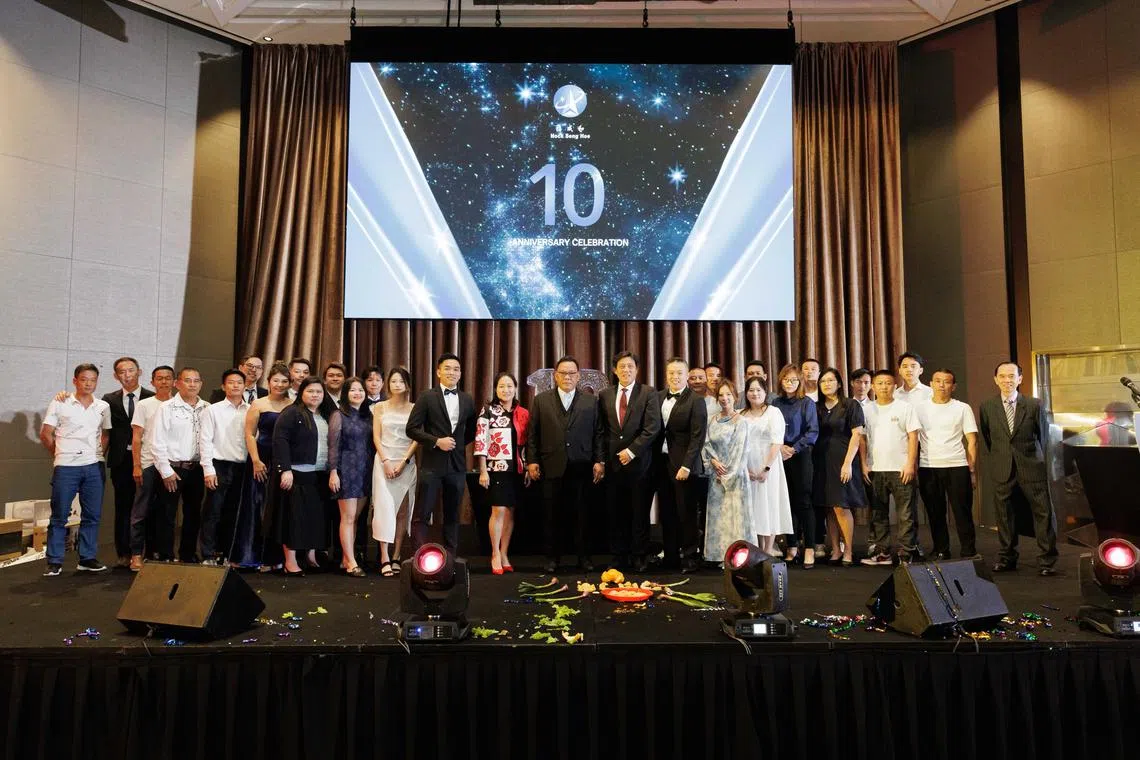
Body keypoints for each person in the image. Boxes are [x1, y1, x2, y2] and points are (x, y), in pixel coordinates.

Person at [978, 361, 1058, 576]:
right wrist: (997, 461)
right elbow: (987, 439)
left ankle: (1047, 561)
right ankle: (1007, 557)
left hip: (1032, 466)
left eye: (1012, 376)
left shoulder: (1034, 405)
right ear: (995, 380)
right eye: (1002, 376)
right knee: (1004, 515)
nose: (1007, 380)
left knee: (1043, 513)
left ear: (1020, 379)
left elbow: (1044, 437)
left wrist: (1044, 465)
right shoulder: (987, 407)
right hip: (1002, 468)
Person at [526, 356, 603, 573]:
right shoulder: (541, 400)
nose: (567, 377)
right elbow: (533, 434)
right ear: (555, 376)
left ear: (578, 377)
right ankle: (552, 559)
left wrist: (599, 460)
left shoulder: (591, 401)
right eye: (563, 373)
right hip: (551, 464)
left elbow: (598, 433)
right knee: (551, 515)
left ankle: (584, 558)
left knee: (582, 515)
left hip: (582, 465)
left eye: (572, 373)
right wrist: (532, 460)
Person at [39, 363, 112, 576]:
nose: (88, 383)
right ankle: (54, 561)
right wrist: (59, 454)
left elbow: (106, 434)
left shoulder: (102, 406)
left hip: (93, 466)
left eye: (92, 380)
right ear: (75, 381)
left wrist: (98, 454)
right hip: (66, 467)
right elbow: (46, 433)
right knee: (59, 515)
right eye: (84, 379)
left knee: (92, 515)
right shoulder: (60, 401)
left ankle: (87, 558)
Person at [597, 350, 661, 571]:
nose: (626, 370)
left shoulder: (648, 393)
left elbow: (652, 427)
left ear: (637, 369)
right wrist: (602, 459)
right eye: (622, 366)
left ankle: (639, 556)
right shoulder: (605, 395)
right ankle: (618, 557)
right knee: (616, 514)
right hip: (613, 465)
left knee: (639, 513)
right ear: (614, 371)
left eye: (630, 366)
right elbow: (601, 430)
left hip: (640, 464)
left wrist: (632, 451)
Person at [406, 353, 476, 555]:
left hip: (457, 465)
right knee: (423, 513)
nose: (452, 372)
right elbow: (411, 429)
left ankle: (450, 558)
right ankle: (418, 557)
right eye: (447, 368)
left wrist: (457, 445)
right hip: (431, 464)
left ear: (460, 373)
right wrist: (437, 442)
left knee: (453, 514)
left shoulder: (467, 399)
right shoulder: (427, 397)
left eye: (456, 369)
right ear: (438, 372)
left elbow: (471, 431)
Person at [272, 376, 337, 575]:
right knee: (293, 520)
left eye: (319, 391)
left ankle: (310, 556)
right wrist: (285, 469)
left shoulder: (326, 414)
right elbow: (280, 440)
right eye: (310, 391)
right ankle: (290, 561)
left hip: (319, 474)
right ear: (301, 393)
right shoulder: (291, 412)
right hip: (296, 474)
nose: (315, 395)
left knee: (315, 519)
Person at [914, 368, 979, 560]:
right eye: (937, 381)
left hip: (957, 465)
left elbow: (972, 441)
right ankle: (941, 549)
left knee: (962, 511)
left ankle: (968, 550)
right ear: (931, 384)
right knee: (935, 512)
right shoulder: (919, 408)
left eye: (947, 381)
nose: (942, 385)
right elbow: (912, 439)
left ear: (954, 386)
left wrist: (971, 469)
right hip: (928, 466)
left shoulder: (962, 408)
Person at [860, 370, 922, 566]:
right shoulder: (866, 409)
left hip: (901, 468)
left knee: (906, 513)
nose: (884, 387)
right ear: (873, 387)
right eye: (880, 383)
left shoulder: (905, 408)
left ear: (895, 386)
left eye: (888, 383)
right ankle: (882, 552)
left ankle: (906, 552)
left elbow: (913, 436)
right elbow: (862, 439)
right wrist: (863, 464)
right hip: (875, 469)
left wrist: (910, 464)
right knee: (878, 513)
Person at [150, 367, 210, 563]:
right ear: (177, 383)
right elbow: (157, 441)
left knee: (193, 514)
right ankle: (165, 555)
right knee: (167, 514)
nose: (192, 384)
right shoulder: (167, 408)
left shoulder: (207, 408)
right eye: (187, 380)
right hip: (172, 468)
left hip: (197, 468)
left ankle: (188, 554)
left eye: (196, 381)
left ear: (201, 384)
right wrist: (165, 471)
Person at [653, 358, 707, 572]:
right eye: (671, 373)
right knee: (667, 511)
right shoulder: (657, 397)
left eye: (679, 373)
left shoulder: (696, 400)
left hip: (685, 464)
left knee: (686, 512)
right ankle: (671, 556)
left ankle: (690, 557)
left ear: (687, 376)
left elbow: (697, 436)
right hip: (661, 463)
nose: (675, 377)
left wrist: (686, 465)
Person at [475, 372, 530, 574]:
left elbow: (527, 443)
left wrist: (527, 466)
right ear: (496, 389)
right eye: (501, 386)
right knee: (498, 510)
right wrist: (483, 470)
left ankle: (505, 552)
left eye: (509, 386)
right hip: (496, 468)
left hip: (517, 469)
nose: (506, 390)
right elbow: (481, 441)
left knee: (510, 512)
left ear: (515, 388)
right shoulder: (488, 411)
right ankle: (495, 553)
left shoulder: (522, 412)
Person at [812, 367, 867, 566]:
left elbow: (857, 434)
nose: (827, 384)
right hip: (821, 461)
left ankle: (848, 550)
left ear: (839, 384)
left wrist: (848, 463)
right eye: (823, 381)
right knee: (829, 507)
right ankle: (835, 549)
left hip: (843, 460)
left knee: (841, 506)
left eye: (830, 380)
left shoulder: (850, 405)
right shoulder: (816, 407)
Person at [103, 357, 153, 568]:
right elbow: (105, 431)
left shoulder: (152, 397)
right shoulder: (109, 399)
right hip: (121, 460)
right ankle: (124, 553)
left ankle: (145, 552)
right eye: (122, 372)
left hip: (147, 459)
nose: (127, 375)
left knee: (147, 507)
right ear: (116, 376)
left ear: (139, 372)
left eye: (131, 370)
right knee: (123, 507)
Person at [199, 369, 251, 565]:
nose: (235, 385)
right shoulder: (212, 410)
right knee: (213, 512)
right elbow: (205, 441)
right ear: (223, 386)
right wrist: (208, 469)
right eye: (231, 382)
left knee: (234, 512)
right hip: (219, 465)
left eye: (239, 382)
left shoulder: (251, 409)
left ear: (245, 386)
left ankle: (228, 554)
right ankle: (208, 554)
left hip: (242, 467)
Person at [245, 363, 293, 572]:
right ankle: (255, 556)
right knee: (258, 507)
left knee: (279, 509)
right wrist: (256, 460)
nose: (279, 385)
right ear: (268, 382)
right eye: (276, 381)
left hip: (284, 460)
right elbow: (249, 434)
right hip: (262, 459)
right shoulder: (258, 403)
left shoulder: (293, 405)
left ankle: (278, 557)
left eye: (284, 381)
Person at [371, 367, 418, 575]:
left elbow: (417, 438)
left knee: (402, 511)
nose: (397, 385)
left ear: (407, 385)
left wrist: (404, 462)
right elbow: (376, 437)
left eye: (401, 381)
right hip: (384, 461)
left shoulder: (415, 408)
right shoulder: (380, 407)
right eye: (393, 381)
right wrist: (386, 461)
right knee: (384, 508)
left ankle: (397, 555)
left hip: (406, 463)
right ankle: (384, 556)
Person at [128, 366, 175, 570]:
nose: (164, 382)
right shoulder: (144, 405)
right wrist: (137, 465)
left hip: (171, 465)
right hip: (148, 463)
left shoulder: (179, 404)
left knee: (167, 512)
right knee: (140, 511)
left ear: (175, 381)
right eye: (159, 378)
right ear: (152, 382)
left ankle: (163, 554)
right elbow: (136, 438)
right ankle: (136, 554)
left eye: (168, 378)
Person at [771, 364, 819, 567]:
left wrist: (793, 448)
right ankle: (791, 545)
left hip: (800, 456)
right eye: (786, 379)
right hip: (779, 456)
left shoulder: (807, 403)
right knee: (786, 502)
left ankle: (809, 548)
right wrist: (780, 447)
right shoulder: (775, 403)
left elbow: (812, 432)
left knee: (804, 502)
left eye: (793, 380)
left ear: (800, 382)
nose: (789, 383)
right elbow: (771, 429)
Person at [701, 380, 753, 566]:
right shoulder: (712, 420)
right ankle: (718, 555)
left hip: (735, 477)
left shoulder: (741, 421)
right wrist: (713, 462)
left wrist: (727, 473)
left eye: (728, 394)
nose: (724, 398)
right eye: (721, 395)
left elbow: (740, 451)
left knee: (734, 516)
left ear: (735, 397)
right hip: (715, 475)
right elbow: (705, 444)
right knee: (718, 517)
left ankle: (737, 557)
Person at [740, 378, 793, 557]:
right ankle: (756, 551)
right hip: (747, 467)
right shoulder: (741, 414)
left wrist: (766, 468)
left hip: (768, 465)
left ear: (765, 392)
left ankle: (768, 550)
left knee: (769, 505)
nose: (755, 393)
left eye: (759, 390)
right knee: (753, 509)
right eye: (751, 390)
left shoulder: (773, 412)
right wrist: (744, 468)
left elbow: (777, 442)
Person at [328, 377, 374, 576]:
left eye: (361, 390)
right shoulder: (338, 415)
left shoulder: (368, 416)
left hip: (365, 471)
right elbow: (333, 446)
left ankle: (347, 558)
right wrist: (333, 472)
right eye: (353, 390)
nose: (357, 393)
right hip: (346, 471)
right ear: (345, 394)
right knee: (347, 517)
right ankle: (351, 563)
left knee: (355, 518)